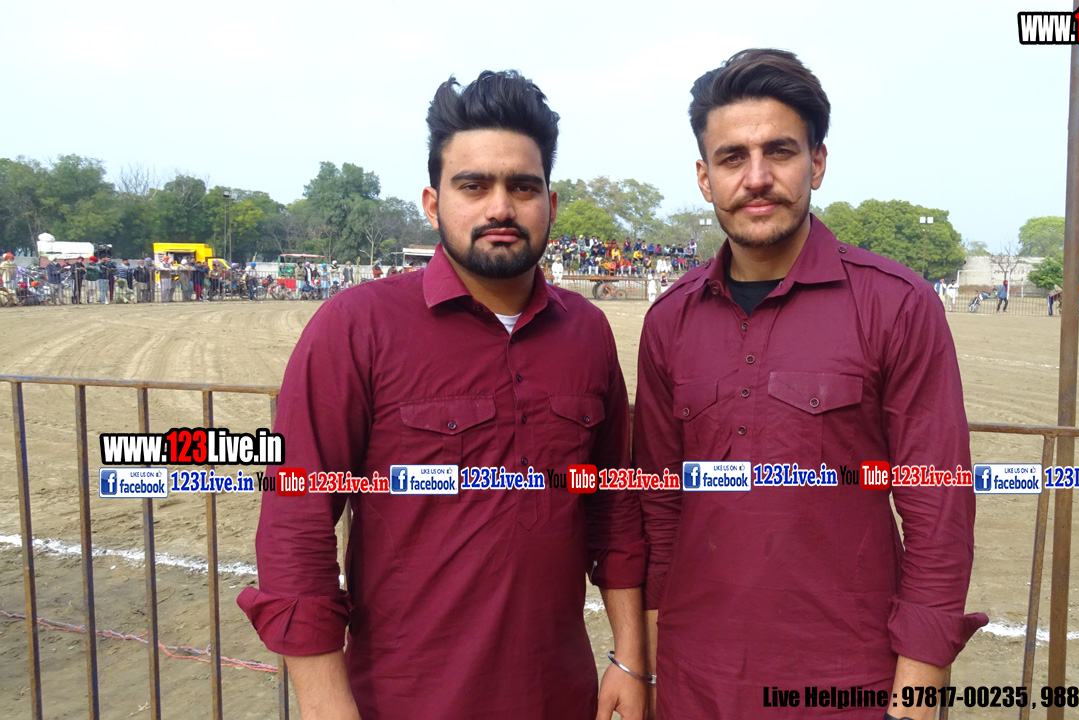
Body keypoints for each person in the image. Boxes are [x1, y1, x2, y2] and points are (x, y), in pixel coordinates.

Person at [238, 70, 646, 720]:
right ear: (433, 204)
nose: (500, 208)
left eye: (522, 187)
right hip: (403, 700)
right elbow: (297, 520)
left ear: (550, 203)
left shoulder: (587, 333)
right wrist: (325, 706)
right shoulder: (357, 326)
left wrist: (629, 656)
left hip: (560, 696)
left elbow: (614, 508)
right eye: (473, 186)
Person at [634, 49, 985, 720]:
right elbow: (659, 508)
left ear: (817, 163)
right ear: (705, 178)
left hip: (848, 681)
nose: (757, 178)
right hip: (696, 681)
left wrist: (917, 690)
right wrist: (653, 669)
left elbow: (937, 506)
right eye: (732, 158)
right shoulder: (670, 321)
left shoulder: (895, 304)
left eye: (780, 152)